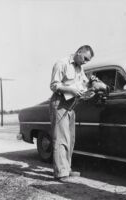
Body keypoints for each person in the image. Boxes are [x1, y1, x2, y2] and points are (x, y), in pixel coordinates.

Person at [49, 45, 94, 181]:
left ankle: (66, 168)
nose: (85, 62)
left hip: (72, 104)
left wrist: (89, 88)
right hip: (60, 103)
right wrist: (71, 91)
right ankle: (61, 172)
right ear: (79, 52)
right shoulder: (61, 63)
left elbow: (84, 84)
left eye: (88, 60)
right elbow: (54, 85)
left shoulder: (80, 68)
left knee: (70, 139)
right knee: (61, 138)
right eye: (85, 58)